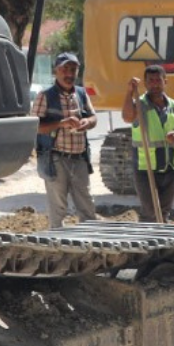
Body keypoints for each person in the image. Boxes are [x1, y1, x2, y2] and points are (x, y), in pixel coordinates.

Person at [33, 52, 97, 229]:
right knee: (58, 206)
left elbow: (93, 118)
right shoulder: (44, 96)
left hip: (80, 158)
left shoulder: (82, 94)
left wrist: (86, 122)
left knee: (86, 204)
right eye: (65, 69)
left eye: (73, 70)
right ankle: (57, 244)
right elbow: (34, 127)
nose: (69, 74)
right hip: (55, 159)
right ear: (56, 71)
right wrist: (61, 123)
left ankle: (89, 244)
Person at [121, 63, 174, 222]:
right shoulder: (140, 104)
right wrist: (129, 92)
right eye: (150, 81)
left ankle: (162, 243)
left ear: (165, 82)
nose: (154, 84)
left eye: (158, 80)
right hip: (146, 168)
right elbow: (127, 117)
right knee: (150, 211)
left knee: (164, 211)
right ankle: (148, 243)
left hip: (171, 166)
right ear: (145, 83)